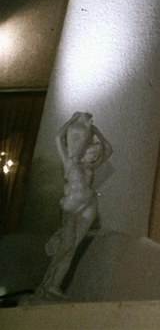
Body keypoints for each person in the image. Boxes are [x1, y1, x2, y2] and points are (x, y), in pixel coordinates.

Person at [34, 112, 112, 299]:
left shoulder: (90, 168)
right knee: (65, 246)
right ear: (85, 151)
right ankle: (45, 284)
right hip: (71, 208)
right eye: (93, 152)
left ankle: (54, 285)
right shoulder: (70, 162)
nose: (95, 156)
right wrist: (72, 120)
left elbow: (109, 149)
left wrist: (95, 130)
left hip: (88, 205)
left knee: (72, 249)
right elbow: (58, 138)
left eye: (97, 154)